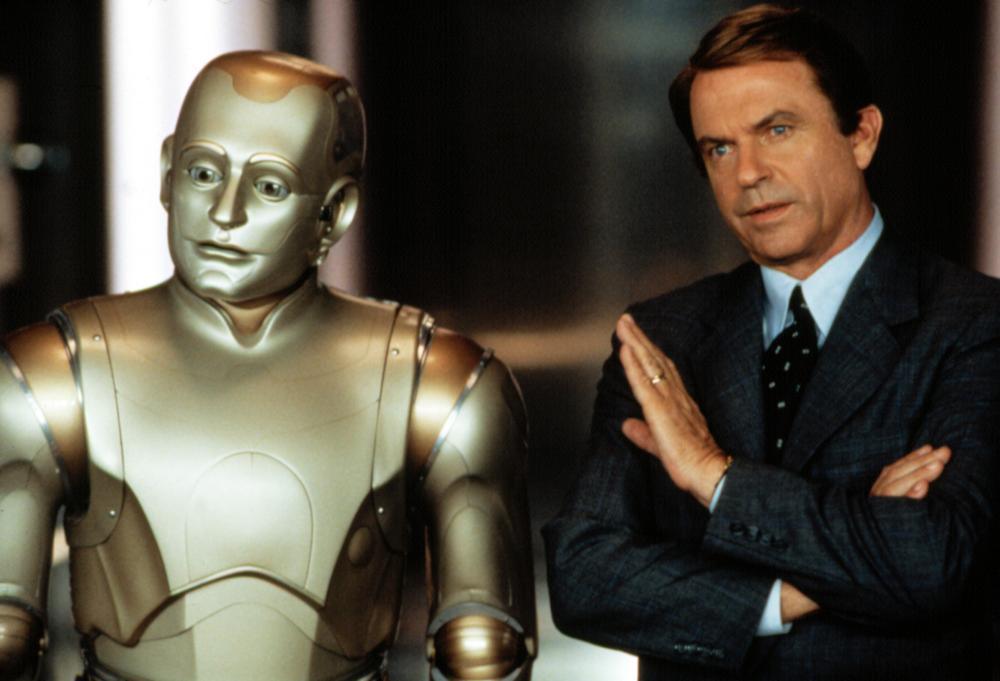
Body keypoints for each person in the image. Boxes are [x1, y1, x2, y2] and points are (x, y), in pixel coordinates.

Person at [0, 51, 536, 681]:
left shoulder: (438, 384)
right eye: (204, 173)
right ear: (168, 173)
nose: (225, 214)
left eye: (269, 186)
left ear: (335, 212)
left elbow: (486, 644)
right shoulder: (54, 375)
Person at [543, 5, 1000, 680]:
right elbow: (583, 574)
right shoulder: (661, 338)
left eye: (777, 130)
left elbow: (933, 562)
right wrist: (791, 593)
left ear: (862, 135)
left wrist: (715, 477)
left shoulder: (976, 323)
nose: (748, 172)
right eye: (719, 149)